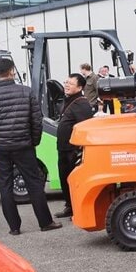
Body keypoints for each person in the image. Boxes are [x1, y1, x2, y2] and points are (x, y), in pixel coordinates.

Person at [0, 58, 61, 235]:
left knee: (5, 184)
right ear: (12, 71)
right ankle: (45, 222)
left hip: (0, 147)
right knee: (34, 183)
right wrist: (34, 141)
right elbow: (36, 121)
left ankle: (14, 227)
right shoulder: (27, 92)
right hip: (24, 145)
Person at [55, 73, 95, 219]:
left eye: (70, 83)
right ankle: (69, 206)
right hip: (63, 149)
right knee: (64, 179)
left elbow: (85, 128)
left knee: (75, 181)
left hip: (73, 150)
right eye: (66, 82)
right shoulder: (69, 101)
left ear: (79, 87)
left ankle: (77, 209)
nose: (66, 85)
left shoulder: (82, 104)